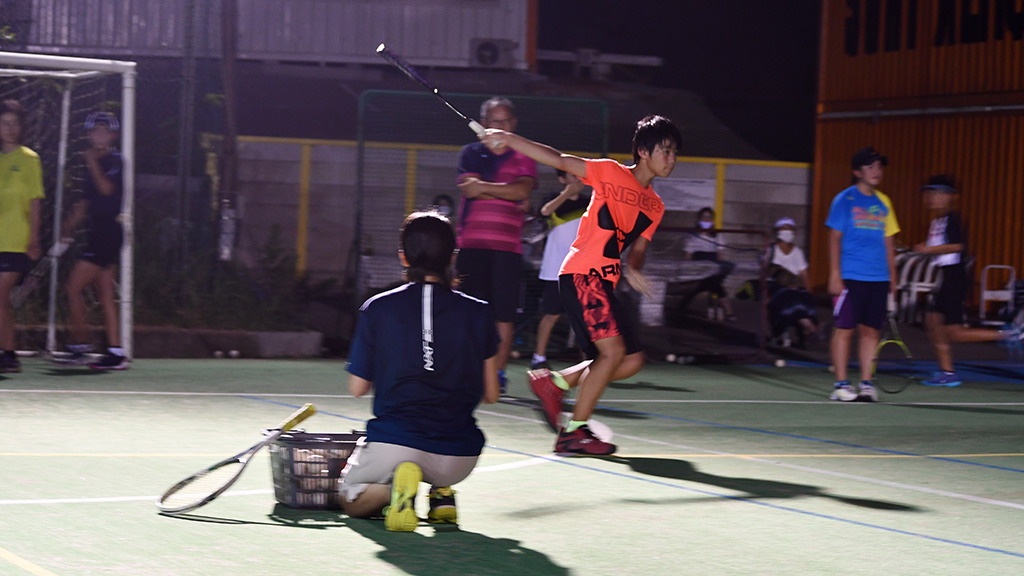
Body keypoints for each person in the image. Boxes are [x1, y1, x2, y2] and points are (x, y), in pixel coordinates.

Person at [484, 115, 681, 455]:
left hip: (605, 283)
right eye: (665, 150)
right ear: (643, 151)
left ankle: (556, 382)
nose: (671, 159)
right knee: (613, 353)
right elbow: (559, 159)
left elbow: (637, 251)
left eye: (675, 152)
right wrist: (509, 138)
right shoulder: (610, 172)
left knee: (631, 361)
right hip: (582, 274)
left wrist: (633, 269)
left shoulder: (656, 206)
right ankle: (574, 431)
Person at [341, 210, 501, 532]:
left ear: (403, 256)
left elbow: (357, 388)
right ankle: (441, 491)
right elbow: (491, 394)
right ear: (453, 257)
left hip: (395, 444)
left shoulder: (378, 308)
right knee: (435, 461)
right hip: (460, 456)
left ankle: (400, 489)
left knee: (349, 498)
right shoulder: (479, 312)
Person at [454, 97, 537, 393]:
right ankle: (466, 370)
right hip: (471, 246)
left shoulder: (524, 155)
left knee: (503, 315)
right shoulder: (471, 153)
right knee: (467, 312)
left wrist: (486, 189)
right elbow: (470, 188)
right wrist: (508, 193)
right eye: (493, 121)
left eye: (505, 121)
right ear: (484, 123)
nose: (499, 127)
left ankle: (497, 375)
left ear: (513, 124)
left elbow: (522, 190)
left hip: (507, 250)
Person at [913, 175, 1023, 387]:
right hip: (943, 278)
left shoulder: (951, 220)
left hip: (954, 280)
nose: (932, 197)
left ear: (950, 197)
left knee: (954, 332)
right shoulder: (937, 221)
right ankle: (947, 372)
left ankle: (1008, 334)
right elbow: (943, 252)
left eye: (938, 193)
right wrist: (925, 253)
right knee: (933, 324)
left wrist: (928, 249)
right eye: (930, 192)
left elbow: (957, 246)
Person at [825, 147, 899, 402]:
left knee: (871, 332)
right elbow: (834, 238)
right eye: (870, 167)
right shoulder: (844, 200)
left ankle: (867, 383)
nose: (876, 171)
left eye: (879, 167)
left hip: (878, 277)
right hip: (851, 275)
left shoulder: (884, 202)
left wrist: (893, 280)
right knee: (845, 329)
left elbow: (889, 243)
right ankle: (841, 385)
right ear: (857, 172)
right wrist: (835, 274)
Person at [60, 112, 129, 370]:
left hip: (108, 234)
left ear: (113, 136)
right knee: (105, 293)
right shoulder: (94, 163)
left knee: (73, 287)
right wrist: (68, 225)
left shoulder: (115, 160)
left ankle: (80, 346)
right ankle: (115, 352)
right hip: (98, 233)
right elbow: (86, 201)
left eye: (105, 131)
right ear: (89, 135)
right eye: (96, 131)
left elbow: (107, 189)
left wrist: (91, 162)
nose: (100, 135)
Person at [530, 169, 590, 371]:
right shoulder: (553, 199)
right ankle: (539, 357)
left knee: (584, 315)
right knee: (551, 314)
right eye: (572, 175)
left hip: (582, 268)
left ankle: (588, 360)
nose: (576, 178)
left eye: (578, 174)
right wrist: (566, 193)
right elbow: (544, 213)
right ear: (561, 179)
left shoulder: (589, 202)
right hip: (555, 268)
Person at [0, 100, 43, 373]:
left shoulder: (29, 159)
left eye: (15, 123)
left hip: (16, 243)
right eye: (5, 123)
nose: (10, 128)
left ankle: (10, 354)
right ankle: (7, 353)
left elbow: (36, 201)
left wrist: (34, 238)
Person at [765, 217, 819, 347]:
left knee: (806, 300)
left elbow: (804, 273)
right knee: (790, 300)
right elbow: (764, 271)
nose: (787, 231)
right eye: (784, 228)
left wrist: (808, 289)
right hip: (777, 287)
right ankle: (812, 329)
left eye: (789, 228)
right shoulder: (771, 249)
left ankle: (808, 332)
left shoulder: (797, 252)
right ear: (777, 231)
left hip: (796, 286)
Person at [682, 207, 736, 321]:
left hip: (712, 264)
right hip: (698, 264)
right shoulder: (692, 236)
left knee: (712, 282)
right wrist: (688, 270)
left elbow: (720, 254)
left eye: (709, 217)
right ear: (699, 219)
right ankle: (729, 311)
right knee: (712, 285)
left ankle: (681, 307)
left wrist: (720, 266)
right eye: (704, 217)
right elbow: (688, 255)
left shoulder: (717, 236)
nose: (706, 220)